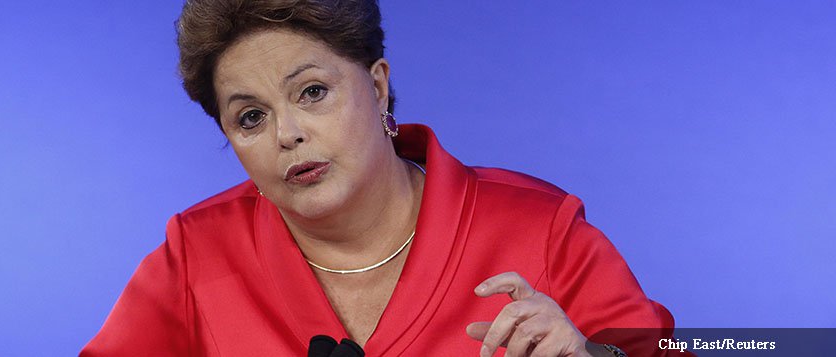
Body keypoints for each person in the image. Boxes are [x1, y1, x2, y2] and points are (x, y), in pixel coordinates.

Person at [82, 1, 687, 356]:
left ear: (375, 87)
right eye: (251, 117)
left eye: (312, 92)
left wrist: (594, 355)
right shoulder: (196, 252)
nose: (286, 134)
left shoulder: (539, 226)